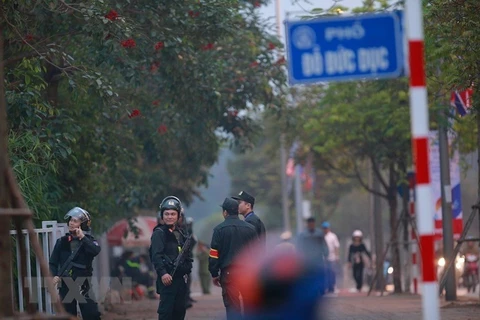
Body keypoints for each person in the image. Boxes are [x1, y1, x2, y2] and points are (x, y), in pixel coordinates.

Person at [209, 197, 258, 320]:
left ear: (225, 212)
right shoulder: (250, 229)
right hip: (248, 275)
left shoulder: (219, 230)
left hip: (229, 275)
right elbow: (258, 252)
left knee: (233, 310)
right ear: (237, 210)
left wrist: (214, 273)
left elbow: (214, 254)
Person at [49, 207, 101, 319]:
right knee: (67, 315)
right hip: (66, 283)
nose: (71, 223)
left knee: (92, 314)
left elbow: (95, 250)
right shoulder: (62, 242)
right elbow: (53, 262)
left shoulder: (88, 241)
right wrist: (54, 275)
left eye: (75, 221)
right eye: (71, 220)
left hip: (83, 284)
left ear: (82, 225)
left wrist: (82, 237)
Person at [150, 196, 193, 320]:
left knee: (179, 313)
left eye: (173, 214)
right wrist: (163, 273)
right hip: (167, 280)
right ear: (162, 215)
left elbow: (188, 256)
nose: (169, 216)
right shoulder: (159, 233)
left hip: (181, 280)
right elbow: (156, 256)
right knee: (166, 313)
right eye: (167, 214)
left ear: (178, 215)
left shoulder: (181, 234)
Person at [296, 217, 329, 295]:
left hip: (318, 257)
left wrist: (326, 253)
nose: (311, 225)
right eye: (309, 223)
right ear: (307, 224)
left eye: (312, 223)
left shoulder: (319, 234)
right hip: (307, 258)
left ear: (314, 224)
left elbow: (324, 244)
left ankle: (321, 289)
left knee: (319, 273)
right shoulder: (303, 235)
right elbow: (299, 246)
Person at [321, 221, 340, 293]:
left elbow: (336, 246)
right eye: (324, 228)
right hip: (323, 257)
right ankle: (326, 286)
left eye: (326, 228)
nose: (325, 229)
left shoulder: (333, 236)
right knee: (325, 272)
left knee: (332, 272)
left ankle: (332, 286)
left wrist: (337, 256)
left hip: (332, 257)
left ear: (329, 228)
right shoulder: (321, 236)